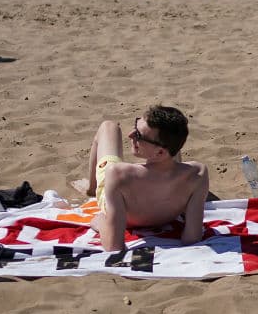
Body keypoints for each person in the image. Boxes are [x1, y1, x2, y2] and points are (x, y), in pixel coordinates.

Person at [74, 105, 209, 252]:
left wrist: (101, 223)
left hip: (128, 218)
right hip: (167, 214)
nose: (131, 135)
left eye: (138, 135)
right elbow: (192, 238)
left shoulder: (118, 174)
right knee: (170, 139)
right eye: (135, 125)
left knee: (109, 127)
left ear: (159, 152)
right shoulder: (198, 173)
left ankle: (92, 189)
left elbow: (113, 247)